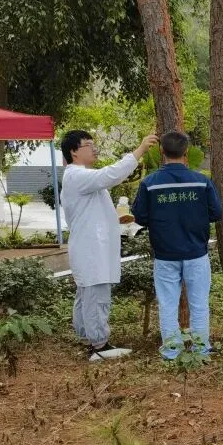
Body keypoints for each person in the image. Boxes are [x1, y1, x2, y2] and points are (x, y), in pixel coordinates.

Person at [61, 130, 157, 361]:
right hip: (91, 250)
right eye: (88, 144)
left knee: (87, 296)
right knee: (95, 296)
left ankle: (89, 339)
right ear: (74, 151)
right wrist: (140, 150)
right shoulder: (77, 176)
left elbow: (96, 213)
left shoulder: (82, 177)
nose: (94, 148)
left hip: (91, 248)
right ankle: (100, 346)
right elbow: (111, 174)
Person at [132, 131, 223, 359]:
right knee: (199, 304)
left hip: (165, 255)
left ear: (161, 151)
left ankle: (172, 352)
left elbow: (140, 217)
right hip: (196, 253)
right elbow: (217, 213)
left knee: (168, 304)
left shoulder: (150, 183)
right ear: (186, 152)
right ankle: (201, 350)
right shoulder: (202, 182)